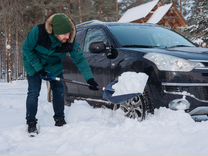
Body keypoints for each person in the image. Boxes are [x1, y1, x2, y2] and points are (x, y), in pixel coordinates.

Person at [22, 13, 99, 134]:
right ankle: (31, 122)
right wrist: (39, 68)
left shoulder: (70, 41)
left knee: (59, 90)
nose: (67, 37)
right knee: (33, 92)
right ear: (54, 31)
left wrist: (90, 79)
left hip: (54, 66)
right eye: (64, 34)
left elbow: (80, 60)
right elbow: (26, 49)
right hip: (33, 63)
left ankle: (59, 120)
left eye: (68, 33)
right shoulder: (38, 32)